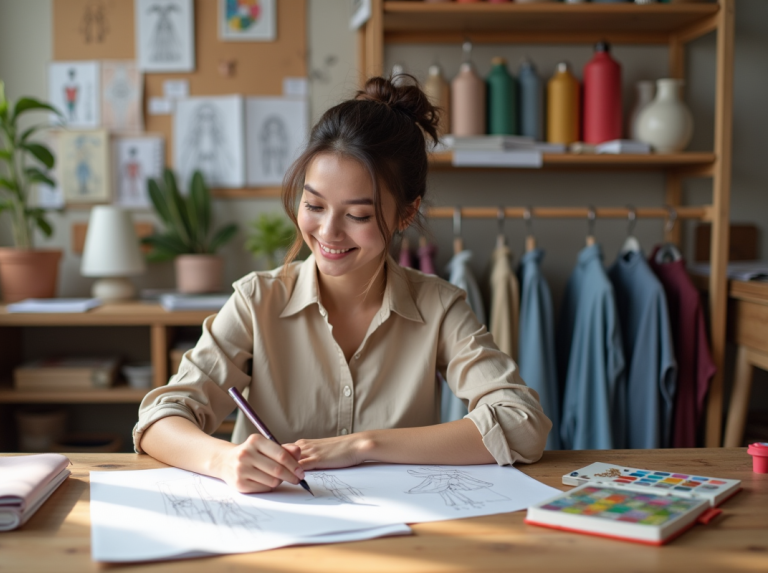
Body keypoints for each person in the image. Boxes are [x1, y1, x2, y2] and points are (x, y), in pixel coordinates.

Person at [136, 75, 551, 494]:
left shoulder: (439, 307)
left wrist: (364, 445)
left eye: (358, 216)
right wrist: (224, 459)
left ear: (406, 214)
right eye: (314, 205)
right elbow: (159, 418)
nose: (328, 233)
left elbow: (522, 421)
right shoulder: (257, 301)